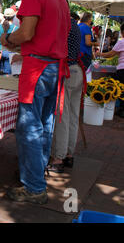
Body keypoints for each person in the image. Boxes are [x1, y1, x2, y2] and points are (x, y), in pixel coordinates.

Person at [1, 0, 71, 204]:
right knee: (45, 126)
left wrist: (9, 40)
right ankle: (35, 176)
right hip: (55, 68)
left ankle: (34, 186)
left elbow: (28, 33)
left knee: (29, 128)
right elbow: (48, 34)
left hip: (38, 69)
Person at [49, 14, 83, 173]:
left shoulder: (64, 24)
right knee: (73, 117)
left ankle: (59, 157)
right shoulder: (74, 24)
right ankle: (69, 154)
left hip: (67, 72)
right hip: (76, 70)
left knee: (62, 116)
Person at [96, 24, 124, 118]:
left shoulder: (122, 42)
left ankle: (121, 110)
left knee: (119, 89)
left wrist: (99, 54)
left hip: (122, 69)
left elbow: (110, 54)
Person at [0, 8, 19, 74]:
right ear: (14, 17)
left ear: (4, 17)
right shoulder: (16, 28)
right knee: (7, 76)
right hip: (10, 53)